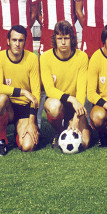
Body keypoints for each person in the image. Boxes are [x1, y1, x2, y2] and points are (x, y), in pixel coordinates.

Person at [39, 20, 91, 150]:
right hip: (59, 101)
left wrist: (75, 118)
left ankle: (79, 124)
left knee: (84, 143)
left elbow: (81, 91)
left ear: (72, 39)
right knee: (54, 106)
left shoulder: (82, 57)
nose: (63, 42)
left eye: (66, 38)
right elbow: (49, 90)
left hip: (77, 104)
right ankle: (59, 132)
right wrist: (71, 99)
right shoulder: (45, 57)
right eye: (59, 38)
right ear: (54, 39)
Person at [0, 25, 41, 156]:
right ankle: (2, 140)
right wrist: (23, 91)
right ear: (8, 41)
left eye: (20, 40)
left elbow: (36, 94)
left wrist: (31, 122)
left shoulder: (32, 58)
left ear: (25, 42)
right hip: (8, 107)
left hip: (24, 108)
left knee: (28, 146)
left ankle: (19, 132)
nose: (17, 44)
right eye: (14, 40)